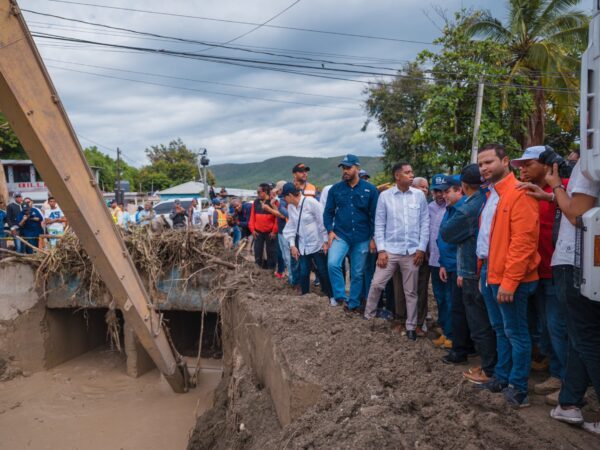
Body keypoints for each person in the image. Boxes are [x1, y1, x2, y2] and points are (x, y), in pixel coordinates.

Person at [521, 158, 600, 433]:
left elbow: (578, 214)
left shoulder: (590, 164)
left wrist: (556, 187)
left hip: (574, 260)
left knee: (587, 339)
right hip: (588, 261)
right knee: (581, 337)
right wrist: (551, 194)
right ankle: (569, 404)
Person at [474, 143, 540, 409]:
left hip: (511, 277)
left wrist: (510, 282)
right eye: (480, 164)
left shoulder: (519, 193)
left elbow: (523, 244)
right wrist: (484, 275)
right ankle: (502, 377)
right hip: (491, 272)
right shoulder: (493, 193)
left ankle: (519, 388)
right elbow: (489, 239)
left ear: (505, 161)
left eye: (489, 162)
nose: (484, 168)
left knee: (516, 332)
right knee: (500, 329)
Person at [513, 146, 568, 400]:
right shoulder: (528, 192)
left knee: (557, 327)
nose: (522, 169)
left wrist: (552, 196)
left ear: (547, 165)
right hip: (536, 271)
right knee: (544, 327)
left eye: (528, 164)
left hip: (558, 271)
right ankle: (553, 369)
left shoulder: (563, 187)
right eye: (520, 165)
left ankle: (565, 381)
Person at [439, 165, 497, 382]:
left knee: (480, 324)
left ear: (462, 186)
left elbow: (447, 233)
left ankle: (490, 369)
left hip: (473, 270)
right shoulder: (489, 198)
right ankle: (493, 366)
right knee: (491, 323)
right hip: (485, 267)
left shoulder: (468, 208)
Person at [363, 162, 428, 340]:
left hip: (412, 252)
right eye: (407, 172)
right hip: (390, 251)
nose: (411, 175)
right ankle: (368, 318)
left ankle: (411, 327)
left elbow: (425, 224)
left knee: (411, 291)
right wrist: (382, 250)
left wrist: (421, 249)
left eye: (412, 172)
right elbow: (379, 224)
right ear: (397, 176)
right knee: (377, 284)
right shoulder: (385, 196)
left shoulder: (419, 196)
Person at [324, 155, 378, 312]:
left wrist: (373, 238)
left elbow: (376, 216)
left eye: (348, 167)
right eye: (343, 168)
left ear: (357, 168)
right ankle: (341, 296)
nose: (345, 171)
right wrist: (330, 230)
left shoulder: (370, 190)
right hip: (341, 235)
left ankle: (353, 303)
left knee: (357, 272)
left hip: (362, 237)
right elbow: (328, 212)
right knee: (333, 263)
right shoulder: (336, 189)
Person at [438, 175, 472, 363]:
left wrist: (459, 269)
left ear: (459, 190)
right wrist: (443, 263)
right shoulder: (450, 209)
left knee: (460, 310)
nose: (444, 195)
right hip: (450, 265)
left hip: (460, 268)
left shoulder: (463, 210)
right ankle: (464, 345)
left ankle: (461, 350)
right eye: (442, 191)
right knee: (455, 307)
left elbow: (463, 244)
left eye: (447, 191)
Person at [393, 177, 432, 336]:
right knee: (399, 288)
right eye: (420, 187)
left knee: (420, 289)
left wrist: (425, 250)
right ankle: (401, 320)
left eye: (426, 188)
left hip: (420, 254)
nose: (424, 190)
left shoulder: (431, 206)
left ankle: (418, 322)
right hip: (399, 252)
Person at [282, 182, 333, 299]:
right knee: (304, 272)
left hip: (317, 244)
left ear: (290, 195)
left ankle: (329, 296)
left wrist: (325, 242)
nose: (284, 200)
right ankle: (305, 297)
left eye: (284, 197)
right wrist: (292, 245)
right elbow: (291, 226)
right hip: (303, 246)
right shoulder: (290, 207)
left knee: (322, 271)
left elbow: (322, 222)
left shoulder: (311, 203)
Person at [428, 175, 452, 347]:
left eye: (444, 191)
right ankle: (444, 328)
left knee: (450, 299)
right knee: (440, 298)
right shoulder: (428, 208)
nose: (440, 194)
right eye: (437, 190)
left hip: (448, 262)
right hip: (433, 261)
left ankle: (451, 334)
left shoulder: (452, 208)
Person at [249, 183, 278, 270]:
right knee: (257, 250)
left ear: (265, 192)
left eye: (259, 192)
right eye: (257, 192)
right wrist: (252, 230)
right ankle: (258, 268)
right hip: (258, 232)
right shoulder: (256, 202)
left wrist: (274, 231)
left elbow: (277, 217)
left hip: (270, 232)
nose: (257, 194)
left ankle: (271, 269)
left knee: (271, 251)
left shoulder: (273, 202)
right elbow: (252, 217)